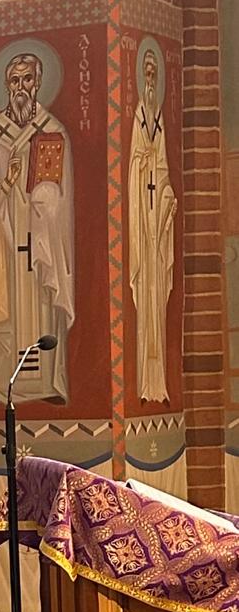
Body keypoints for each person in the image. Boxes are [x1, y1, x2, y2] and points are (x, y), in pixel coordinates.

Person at [0, 51, 73, 402]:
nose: (21, 88)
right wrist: (4, 184)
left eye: (27, 79)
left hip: (40, 239)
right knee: (6, 306)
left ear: (38, 82)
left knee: (42, 305)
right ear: (6, 86)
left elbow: (62, 195)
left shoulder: (52, 131)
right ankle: (0, 382)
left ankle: (47, 383)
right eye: (14, 81)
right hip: (5, 241)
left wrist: (43, 199)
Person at [127, 48, 176, 402]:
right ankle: (144, 384)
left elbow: (165, 172)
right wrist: (140, 165)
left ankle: (158, 385)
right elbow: (135, 166)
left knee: (158, 305)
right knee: (144, 306)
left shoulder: (158, 117)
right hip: (140, 230)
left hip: (156, 223)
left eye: (153, 74)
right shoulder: (138, 118)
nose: (149, 79)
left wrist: (168, 199)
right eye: (145, 72)